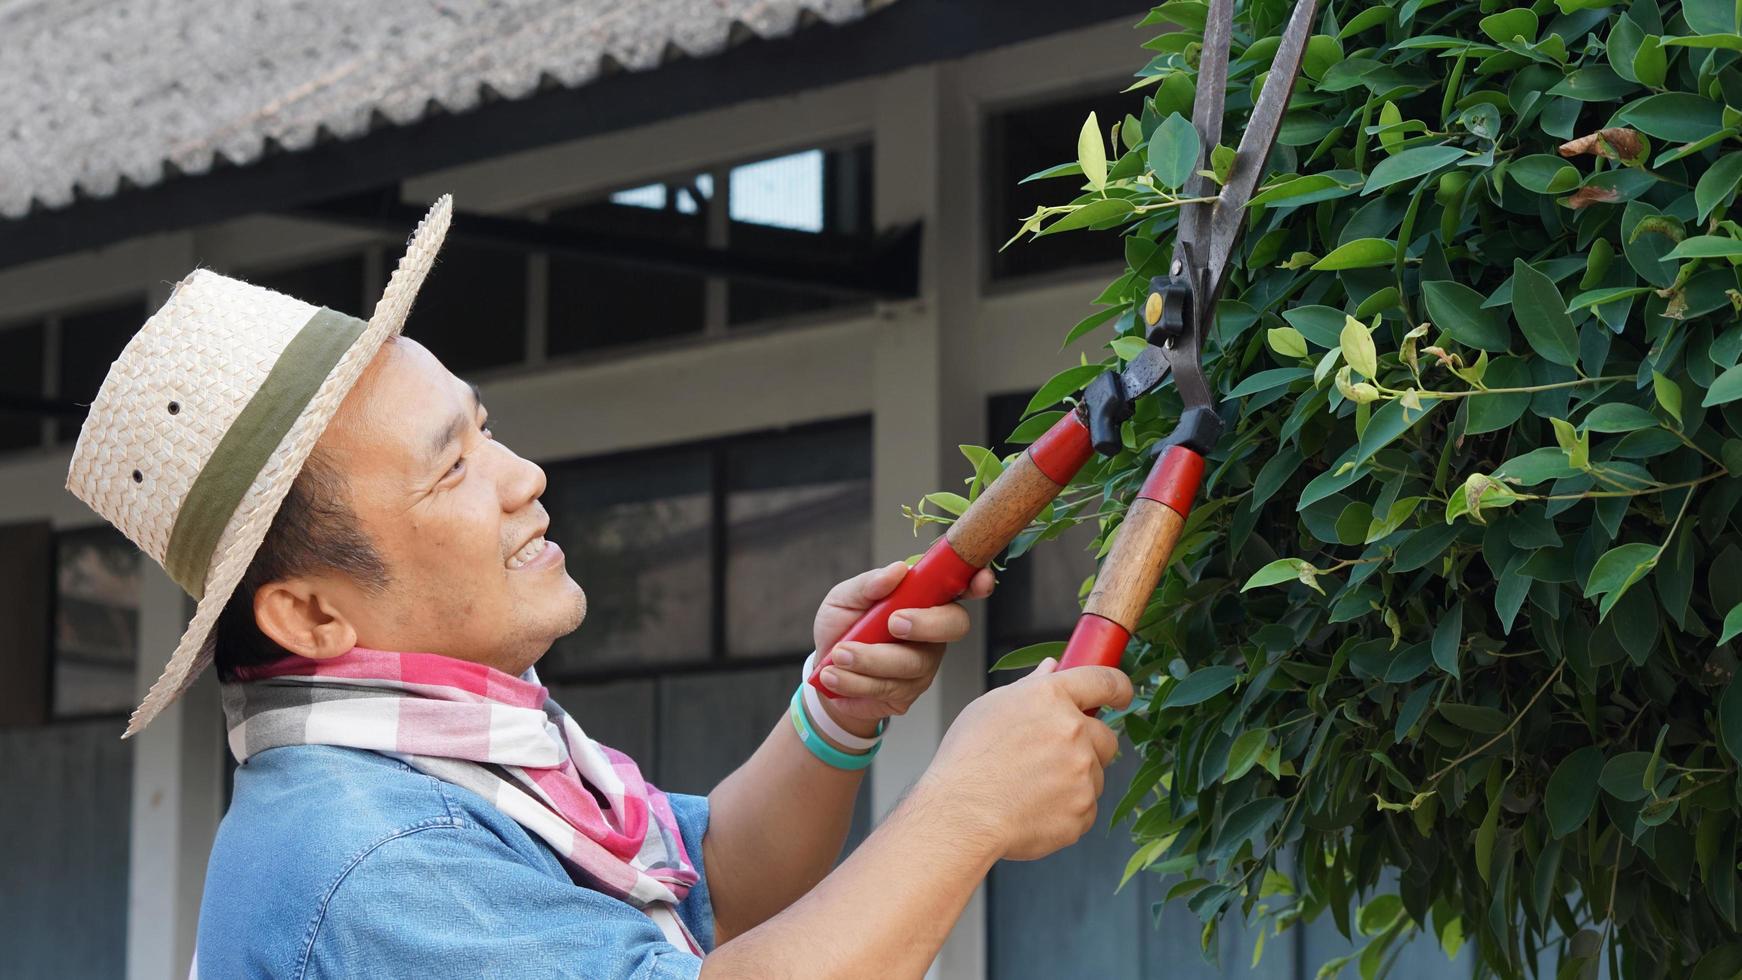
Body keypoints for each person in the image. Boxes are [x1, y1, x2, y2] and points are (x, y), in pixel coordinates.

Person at [65, 197, 1132, 979]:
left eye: (482, 429)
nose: (523, 477)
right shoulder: (377, 850)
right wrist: (962, 809)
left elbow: (709, 879)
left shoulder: (451, 755)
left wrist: (836, 712)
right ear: (308, 612)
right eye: (450, 466)